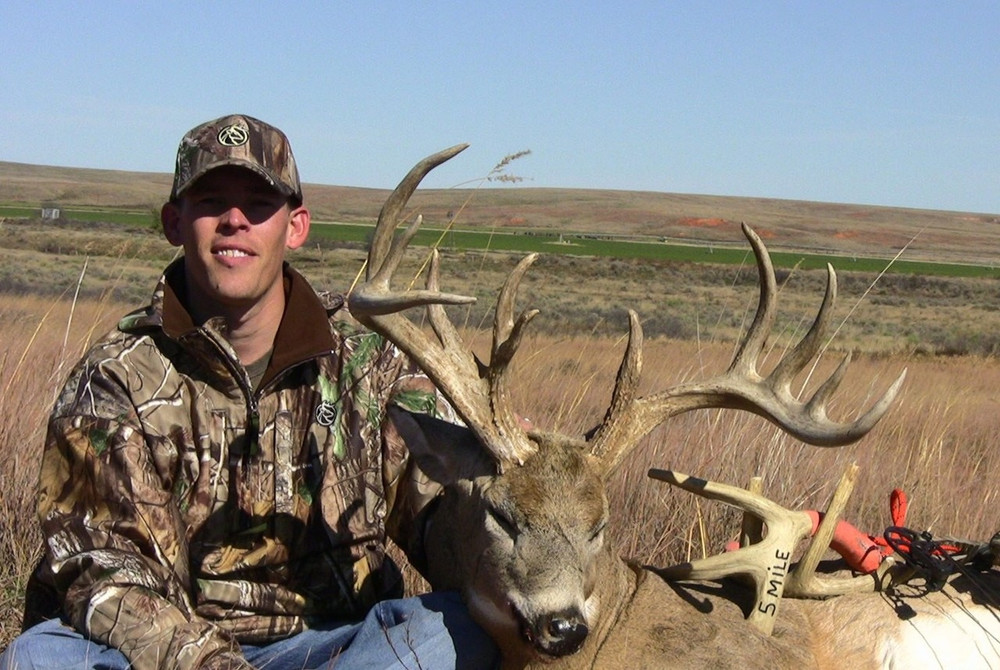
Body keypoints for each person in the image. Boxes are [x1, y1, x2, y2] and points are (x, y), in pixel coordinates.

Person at [0, 114, 500, 670]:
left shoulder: (372, 362)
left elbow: (440, 513)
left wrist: (510, 478)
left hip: (337, 645)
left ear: (296, 226)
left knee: (458, 630)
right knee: (38, 659)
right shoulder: (114, 380)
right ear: (174, 222)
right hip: (167, 655)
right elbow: (103, 572)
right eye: (212, 201)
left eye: (259, 204)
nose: (235, 220)